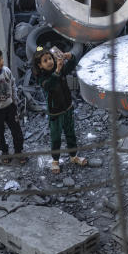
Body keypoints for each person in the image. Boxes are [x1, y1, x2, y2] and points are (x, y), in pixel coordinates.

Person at [31, 45, 88, 174]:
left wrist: (70, 57)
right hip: (55, 113)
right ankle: (55, 161)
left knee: (70, 134)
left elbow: (71, 65)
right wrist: (57, 71)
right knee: (56, 137)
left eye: (50, 58)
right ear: (40, 66)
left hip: (67, 108)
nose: (49, 61)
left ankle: (73, 156)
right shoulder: (42, 78)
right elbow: (49, 85)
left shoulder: (60, 70)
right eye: (45, 61)